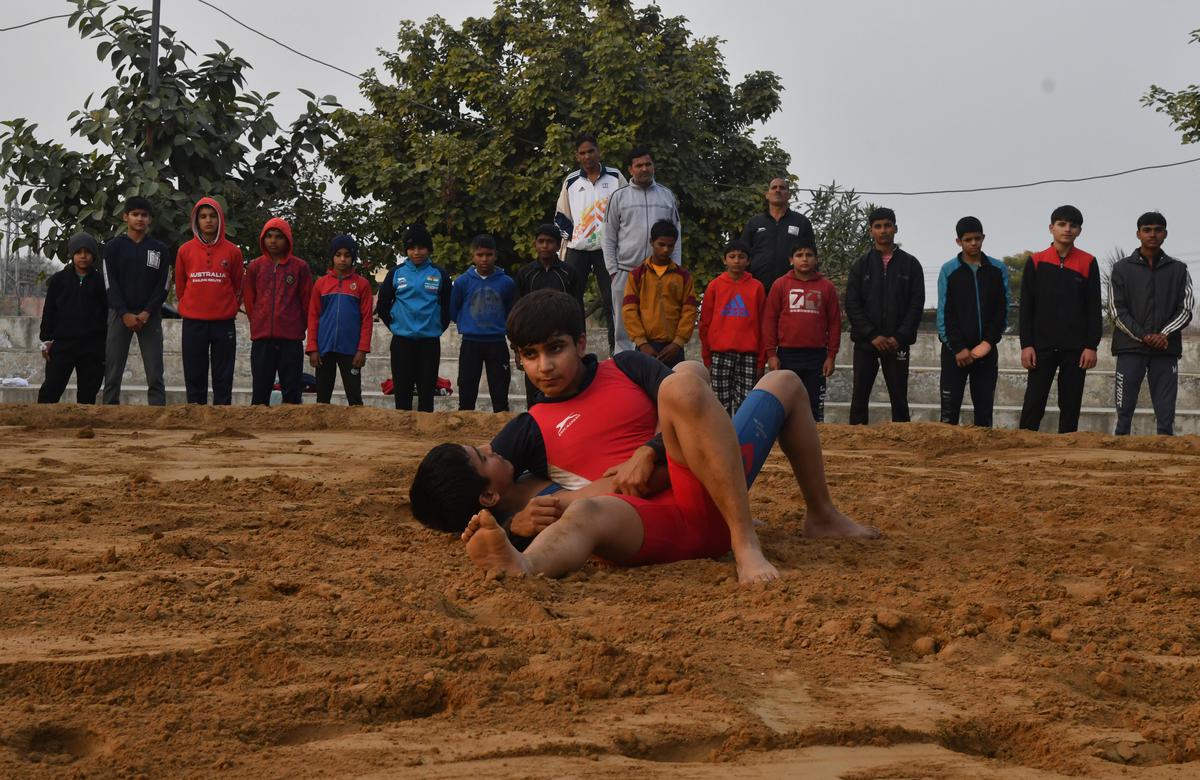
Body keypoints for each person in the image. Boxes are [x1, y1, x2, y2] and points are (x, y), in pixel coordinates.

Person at [409, 290, 878, 584]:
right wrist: (512, 527)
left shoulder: (627, 367)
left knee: (758, 381)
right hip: (652, 522)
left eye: (555, 350)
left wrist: (648, 451)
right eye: (530, 356)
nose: (544, 366)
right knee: (587, 508)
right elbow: (495, 491)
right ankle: (524, 568)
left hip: (708, 487)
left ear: (581, 343)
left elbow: (689, 396)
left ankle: (814, 517)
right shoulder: (530, 427)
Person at [1018, 205, 1102, 433]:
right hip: (1041, 346)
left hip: (1076, 348)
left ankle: (1068, 452)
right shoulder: (1036, 261)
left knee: (1071, 403)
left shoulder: (1088, 262)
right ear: (1051, 227)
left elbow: (1094, 308)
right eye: (1062, 224)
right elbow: (1026, 307)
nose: (1067, 229)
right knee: (1034, 402)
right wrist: (1026, 344)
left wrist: (1090, 346)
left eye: (1073, 225)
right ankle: (1023, 447)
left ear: (1079, 231)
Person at [1109, 212, 1194, 435]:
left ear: (1165, 233)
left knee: (1166, 413)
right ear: (1138, 234)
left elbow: (1185, 309)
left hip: (1166, 349)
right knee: (1124, 408)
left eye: (1158, 229)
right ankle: (1120, 449)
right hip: (1130, 348)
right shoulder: (1121, 269)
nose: (1152, 234)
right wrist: (1144, 335)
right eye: (1147, 230)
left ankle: (1165, 456)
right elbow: (1116, 310)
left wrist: (1163, 334)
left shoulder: (1179, 270)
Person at [844, 207, 924, 424]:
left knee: (899, 398)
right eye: (878, 226)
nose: (883, 230)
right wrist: (872, 335)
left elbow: (916, 305)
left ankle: (903, 443)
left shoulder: (911, 264)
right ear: (871, 230)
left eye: (887, 225)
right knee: (859, 396)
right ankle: (857, 444)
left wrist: (899, 337)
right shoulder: (860, 265)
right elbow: (852, 304)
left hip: (896, 343)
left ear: (895, 228)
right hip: (866, 343)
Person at [602, 146, 681, 353]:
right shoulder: (618, 197)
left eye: (648, 164)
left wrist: (677, 268)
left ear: (653, 166)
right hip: (626, 272)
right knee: (623, 328)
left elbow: (676, 234)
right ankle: (625, 369)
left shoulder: (666, 196)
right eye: (639, 165)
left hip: (660, 273)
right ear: (630, 169)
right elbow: (608, 236)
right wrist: (613, 271)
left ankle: (657, 373)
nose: (644, 169)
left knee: (659, 323)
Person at [554, 133, 626, 352]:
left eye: (590, 151)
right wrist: (575, 235)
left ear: (599, 151)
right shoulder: (572, 181)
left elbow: (627, 210)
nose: (587, 156)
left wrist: (618, 238)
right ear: (577, 156)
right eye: (582, 153)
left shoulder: (615, 177)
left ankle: (618, 352)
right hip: (578, 250)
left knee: (613, 300)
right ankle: (575, 349)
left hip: (608, 250)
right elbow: (560, 216)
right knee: (571, 301)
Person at [936, 216, 1009, 427]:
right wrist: (958, 348)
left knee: (984, 412)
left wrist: (988, 342)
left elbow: (1001, 310)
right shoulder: (948, 270)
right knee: (949, 412)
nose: (974, 243)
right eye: (968, 240)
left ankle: (984, 457)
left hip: (985, 351)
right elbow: (945, 313)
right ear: (958, 242)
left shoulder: (998, 269)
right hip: (954, 353)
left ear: (983, 237)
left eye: (977, 238)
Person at [174, 196, 244, 405]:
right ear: (196, 220)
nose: (208, 220)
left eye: (213, 216)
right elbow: (180, 286)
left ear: (220, 219)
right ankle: (195, 415)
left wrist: (230, 308)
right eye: (203, 216)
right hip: (193, 322)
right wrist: (189, 305)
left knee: (223, 374)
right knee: (194, 373)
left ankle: (223, 417)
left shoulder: (233, 251)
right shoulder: (184, 250)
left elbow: (238, 285)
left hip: (223, 322)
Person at [101, 196, 171, 405]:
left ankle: (158, 413)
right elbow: (109, 284)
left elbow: (163, 286)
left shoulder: (160, 249)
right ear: (126, 217)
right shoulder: (112, 247)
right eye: (135, 214)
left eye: (144, 215)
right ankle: (109, 411)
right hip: (119, 315)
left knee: (155, 370)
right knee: (112, 371)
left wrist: (147, 312)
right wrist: (124, 313)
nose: (140, 218)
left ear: (150, 219)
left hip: (149, 316)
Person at [763, 241, 841, 423]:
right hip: (787, 355)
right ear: (791, 260)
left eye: (809, 255)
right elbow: (769, 320)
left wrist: (831, 356)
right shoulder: (780, 285)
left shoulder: (826, 287)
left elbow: (835, 323)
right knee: (784, 401)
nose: (804, 259)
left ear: (816, 259)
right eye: (799, 255)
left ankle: (815, 443)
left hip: (817, 357)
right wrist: (771, 354)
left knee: (814, 405)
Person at [376, 225, 451, 412]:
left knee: (427, 392)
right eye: (411, 248)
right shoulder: (396, 273)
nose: (416, 252)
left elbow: (448, 307)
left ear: (429, 249)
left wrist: (437, 327)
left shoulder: (439, 274)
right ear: (406, 250)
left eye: (421, 247)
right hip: (402, 341)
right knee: (402, 391)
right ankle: (403, 433)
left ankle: (425, 434)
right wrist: (396, 326)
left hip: (429, 342)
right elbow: (383, 305)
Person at [242, 217, 313, 406]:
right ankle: (258, 430)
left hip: (291, 339)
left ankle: (291, 432)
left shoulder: (300, 267)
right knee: (260, 390)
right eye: (269, 236)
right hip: (262, 338)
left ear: (287, 240)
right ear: (263, 239)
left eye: (279, 237)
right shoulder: (255, 267)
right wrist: (258, 321)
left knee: (291, 391)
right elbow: (250, 301)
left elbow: (307, 302)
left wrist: (298, 326)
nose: (273, 241)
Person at [514, 224, 584, 405]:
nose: (545, 246)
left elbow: (577, 307)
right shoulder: (525, 273)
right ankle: (535, 424)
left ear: (558, 244)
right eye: (541, 241)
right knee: (534, 389)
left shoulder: (568, 273)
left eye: (550, 242)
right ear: (535, 244)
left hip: (559, 338)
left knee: (563, 386)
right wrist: (517, 349)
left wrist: (577, 342)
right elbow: (518, 310)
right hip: (532, 338)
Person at [38, 233, 108, 404]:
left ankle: (83, 428)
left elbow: (107, 314)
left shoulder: (101, 282)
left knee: (88, 393)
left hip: (92, 347)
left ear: (94, 255)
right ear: (72, 255)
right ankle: (42, 426)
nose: (83, 256)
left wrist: (105, 344)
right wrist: (46, 340)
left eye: (87, 252)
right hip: (63, 345)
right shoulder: (58, 280)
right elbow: (49, 312)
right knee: (51, 388)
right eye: (78, 252)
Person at [450, 234, 517, 412]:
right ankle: (465, 425)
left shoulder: (507, 282)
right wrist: (469, 325)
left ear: (495, 255)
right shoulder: (462, 282)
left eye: (488, 255)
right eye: (480, 255)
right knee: (466, 388)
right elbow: (454, 310)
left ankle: (501, 430)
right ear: (473, 256)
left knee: (500, 389)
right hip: (470, 342)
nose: (484, 259)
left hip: (497, 342)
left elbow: (512, 313)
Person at [699, 239, 765, 415]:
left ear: (748, 261)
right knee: (720, 405)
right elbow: (705, 323)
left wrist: (761, 360)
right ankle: (722, 441)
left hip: (749, 355)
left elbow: (763, 325)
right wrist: (707, 357)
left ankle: (742, 442)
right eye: (732, 256)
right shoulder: (714, 286)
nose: (737, 261)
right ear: (724, 260)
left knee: (747, 405)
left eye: (742, 257)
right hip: (719, 354)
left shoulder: (757, 288)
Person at [306, 235, 373, 406]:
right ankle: (321, 432)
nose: (342, 259)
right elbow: (313, 316)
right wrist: (313, 347)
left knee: (355, 398)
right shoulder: (321, 284)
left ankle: (356, 431)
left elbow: (367, 319)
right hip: (324, 349)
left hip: (351, 350)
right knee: (322, 397)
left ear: (353, 257)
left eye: (347, 255)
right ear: (332, 257)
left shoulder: (362, 284)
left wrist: (362, 349)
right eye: (338, 254)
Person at [621, 220, 697, 369]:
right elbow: (629, 311)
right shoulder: (636, 275)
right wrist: (642, 343)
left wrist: (678, 342)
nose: (665, 250)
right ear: (651, 242)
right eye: (661, 245)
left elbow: (689, 311)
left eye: (670, 246)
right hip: (646, 346)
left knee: (674, 390)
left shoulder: (683, 276)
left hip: (674, 347)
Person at [740, 177, 816, 297]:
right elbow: (743, 254)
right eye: (774, 187)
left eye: (782, 188)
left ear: (789, 195)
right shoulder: (754, 222)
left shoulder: (801, 222)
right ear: (767, 194)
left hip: (792, 289)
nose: (778, 190)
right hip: (757, 288)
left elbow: (812, 255)